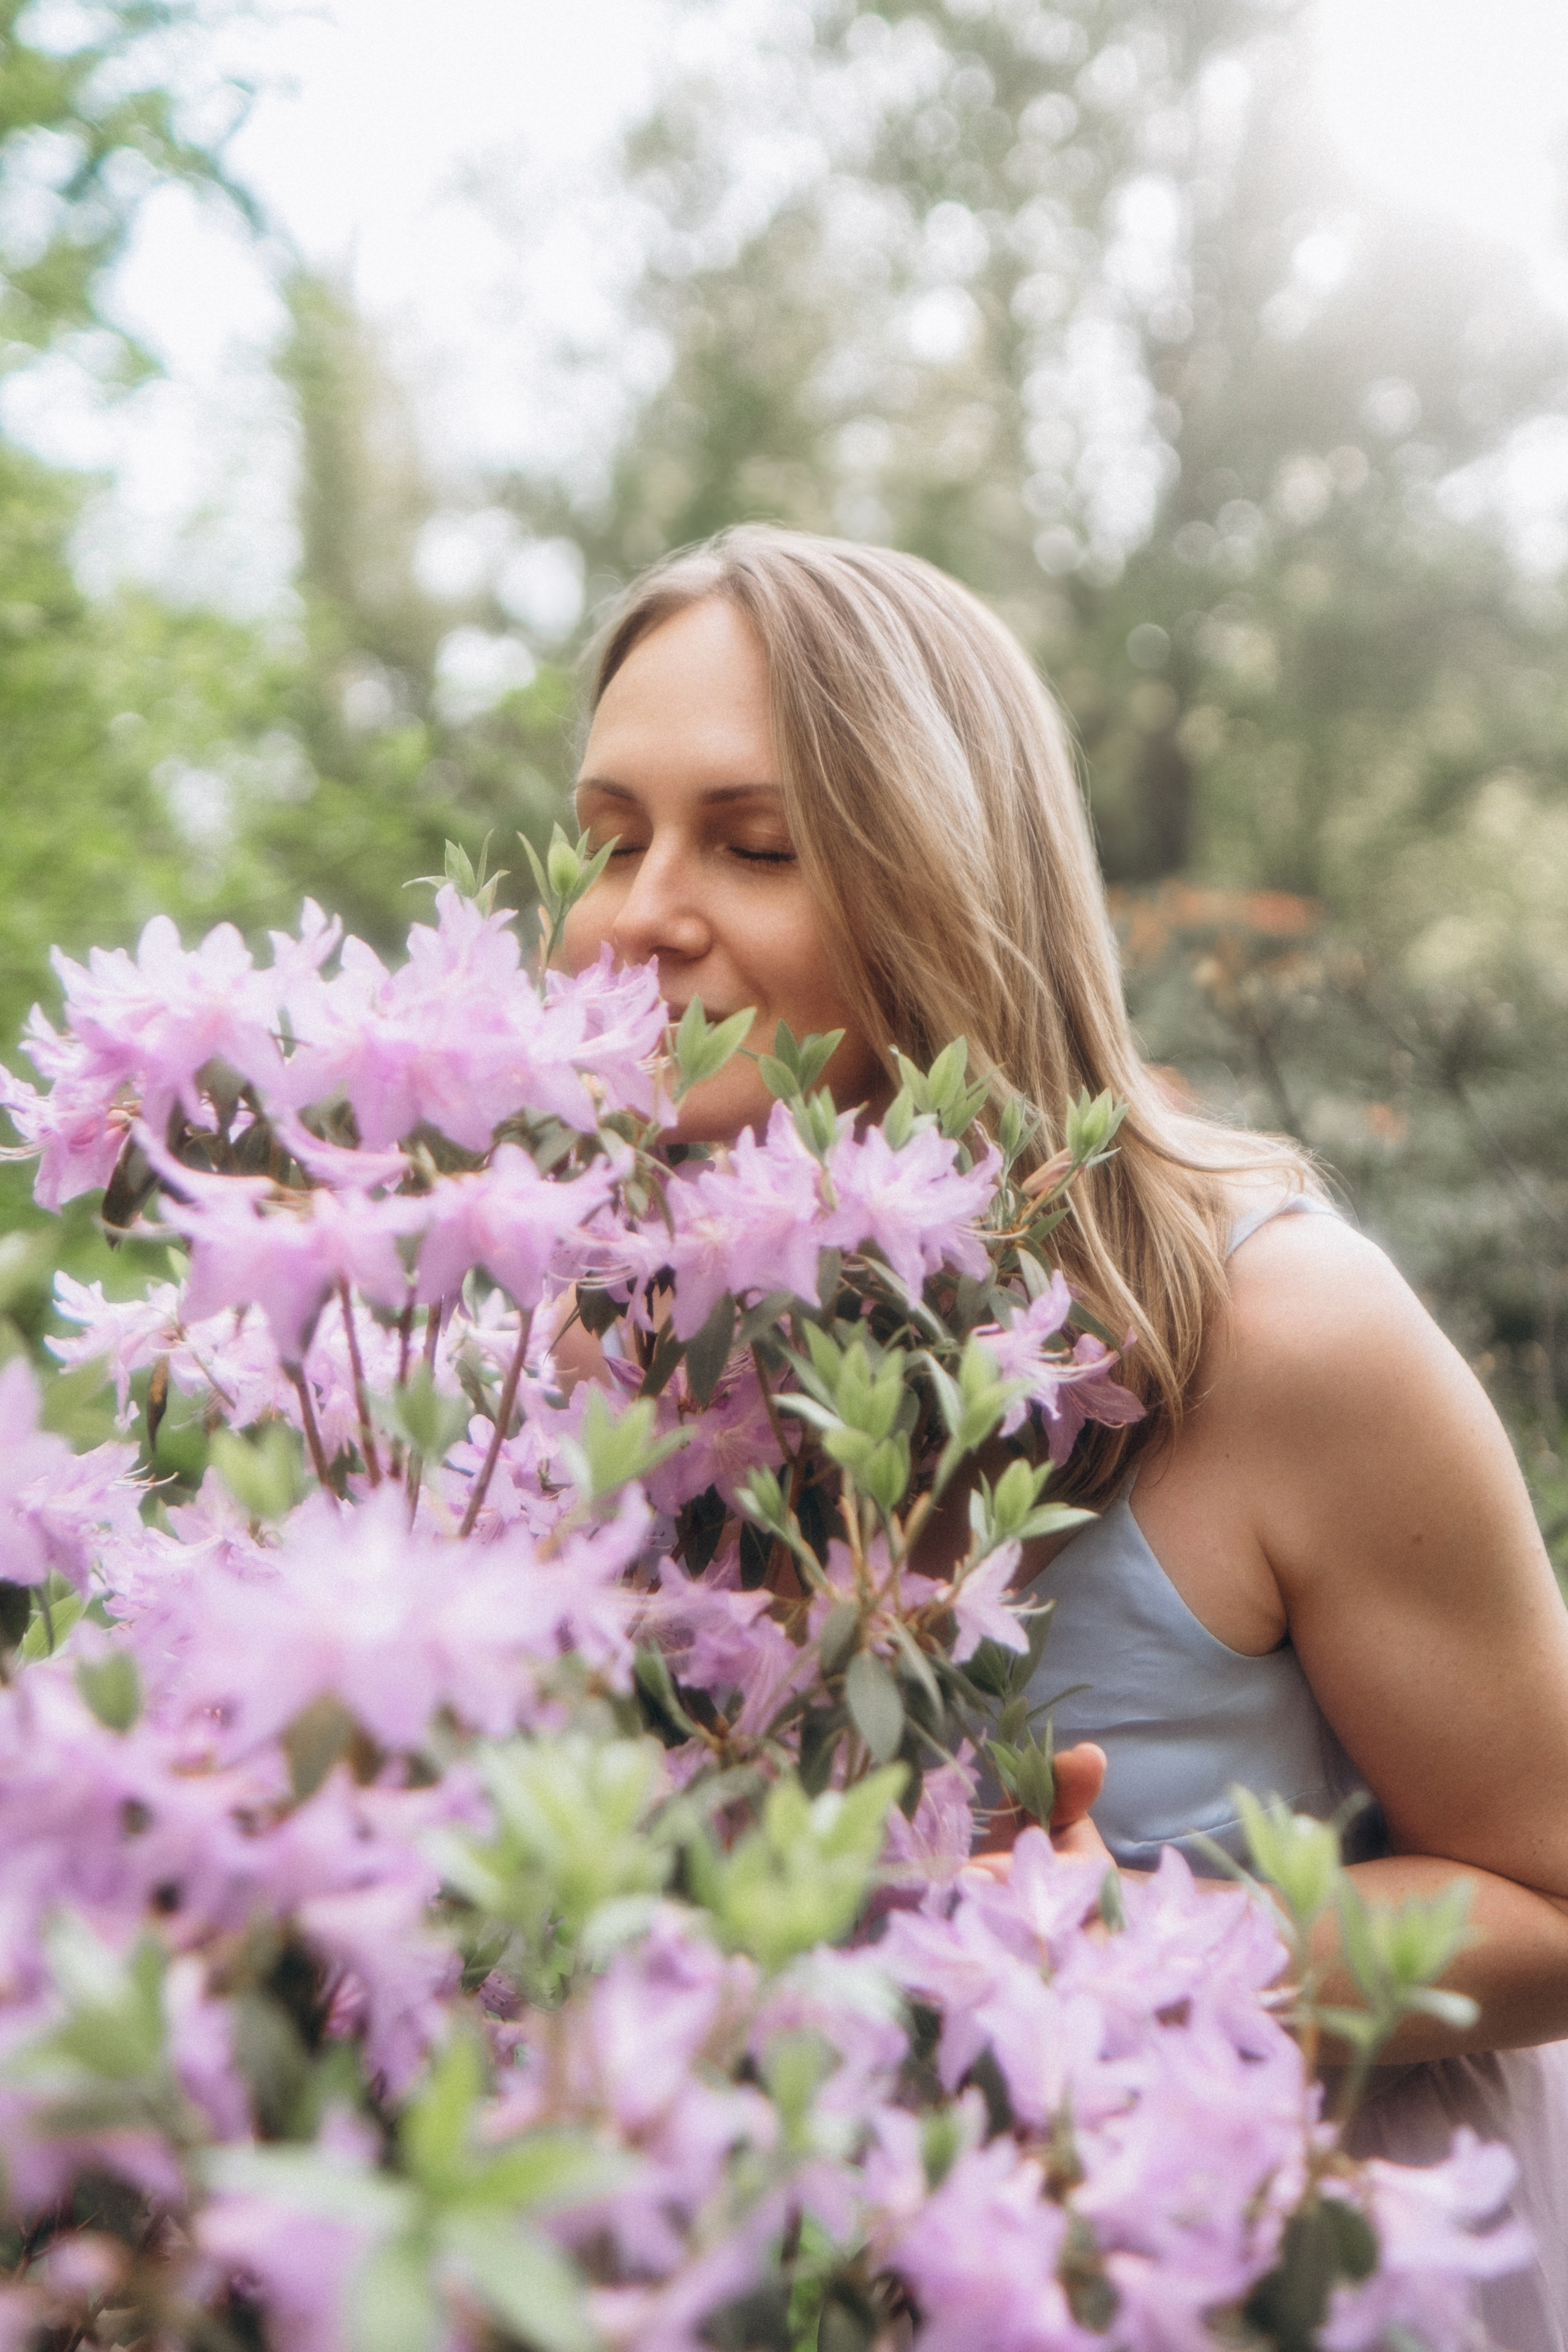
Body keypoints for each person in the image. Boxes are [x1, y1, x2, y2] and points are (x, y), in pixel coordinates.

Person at [558, 524, 1568, 2344]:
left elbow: (1556, 1899)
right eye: (612, 837)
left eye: (755, 842)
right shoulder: (576, 1337)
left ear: (941, 883)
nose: (638, 914)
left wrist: (1159, 1960)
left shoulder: (1279, 1330)